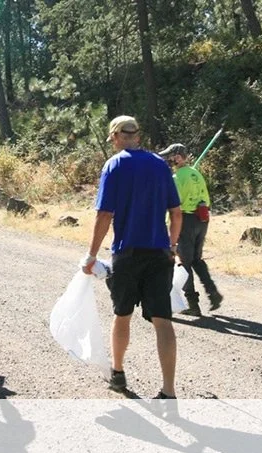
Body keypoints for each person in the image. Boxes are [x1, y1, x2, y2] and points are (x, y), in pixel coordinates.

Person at [82, 115, 183, 399]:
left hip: (127, 253)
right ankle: (169, 391)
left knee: (122, 315)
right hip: (159, 253)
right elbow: (176, 213)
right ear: (137, 135)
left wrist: (91, 255)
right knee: (163, 320)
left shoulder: (114, 165)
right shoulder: (160, 166)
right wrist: (172, 246)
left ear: (115, 137)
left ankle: (117, 372)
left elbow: (104, 214)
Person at [159, 143, 223, 316]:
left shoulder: (177, 178)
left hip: (186, 220)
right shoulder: (196, 174)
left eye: (170, 157)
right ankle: (213, 293)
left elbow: (174, 205)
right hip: (202, 219)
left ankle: (193, 305)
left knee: (183, 263)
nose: (168, 161)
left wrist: (168, 225)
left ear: (178, 157)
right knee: (196, 259)